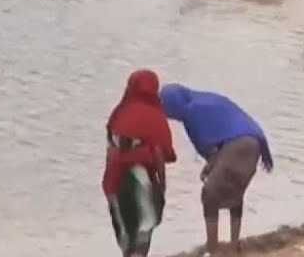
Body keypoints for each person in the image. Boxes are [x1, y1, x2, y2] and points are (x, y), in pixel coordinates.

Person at [159, 83, 273, 256]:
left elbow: (209, 145)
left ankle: (213, 248)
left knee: (210, 194)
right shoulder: (204, 100)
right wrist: (212, 165)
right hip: (253, 143)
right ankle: (233, 246)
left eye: (166, 107)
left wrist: (211, 166)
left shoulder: (193, 112)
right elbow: (220, 136)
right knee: (235, 193)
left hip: (238, 146)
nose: (168, 114)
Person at [104, 70, 177, 257]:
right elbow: (160, 154)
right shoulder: (156, 116)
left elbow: (111, 149)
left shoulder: (120, 112)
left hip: (116, 179)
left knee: (126, 236)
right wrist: (162, 186)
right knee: (143, 233)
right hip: (142, 180)